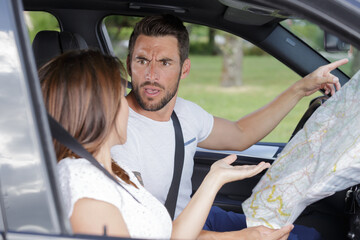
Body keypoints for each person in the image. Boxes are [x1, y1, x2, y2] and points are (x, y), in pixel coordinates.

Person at [110, 14, 349, 239]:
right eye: (142, 60)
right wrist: (239, 237)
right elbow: (148, 233)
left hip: (197, 216)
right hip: (173, 231)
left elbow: (240, 134)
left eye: (165, 62)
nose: (152, 74)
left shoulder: (185, 113)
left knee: (310, 235)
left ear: (184, 69)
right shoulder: (116, 133)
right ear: (130, 63)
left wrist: (300, 89)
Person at [39, 49, 291, 239]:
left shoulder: (112, 169)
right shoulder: (87, 194)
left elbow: (171, 236)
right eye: (120, 98)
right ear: (100, 111)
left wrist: (214, 180)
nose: (128, 107)